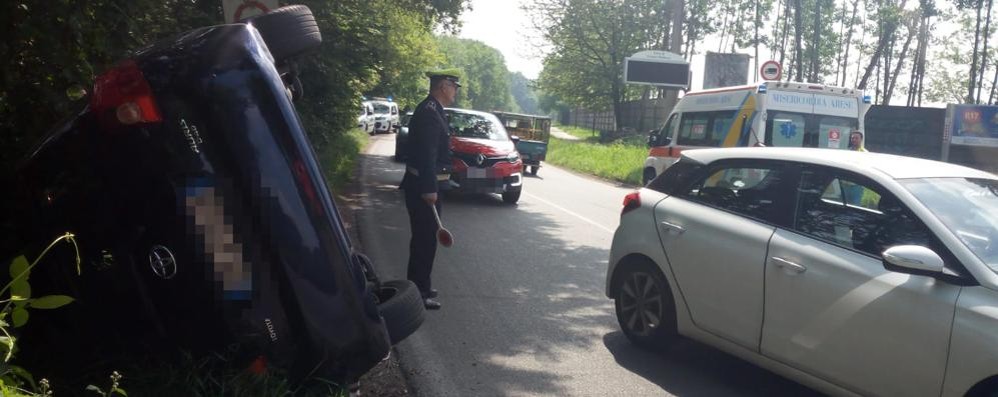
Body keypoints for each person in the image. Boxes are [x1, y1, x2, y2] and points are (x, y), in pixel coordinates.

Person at [399, 69, 461, 310]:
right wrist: (429, 188)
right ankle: (418, 293)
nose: (455, 91)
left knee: (427, 240)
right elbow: (427, 155)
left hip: (430, 184)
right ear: (443, 86)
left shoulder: (434, 110)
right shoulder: (429, 113)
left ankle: (421, 284)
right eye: (454, 86)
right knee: (424, 241)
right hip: (424, 187)